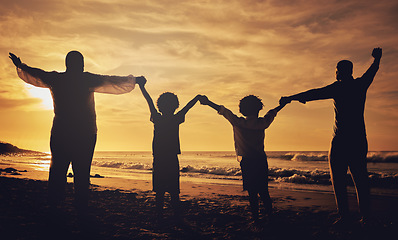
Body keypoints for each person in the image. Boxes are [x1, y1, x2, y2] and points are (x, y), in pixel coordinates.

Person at [9, 51, 146, 214]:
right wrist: (135, 80)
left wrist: (21, 65)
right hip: (84, 132)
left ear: (67, 64)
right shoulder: (85, 79)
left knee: (58, 169)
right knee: (81, 171)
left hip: (63, 130)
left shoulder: (57, 79)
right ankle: (79, 206)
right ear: (80, 64)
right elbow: (111, 80)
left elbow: (37, 74)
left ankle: (55, 204)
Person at [279, 48, 382, 225]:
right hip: (358, 139)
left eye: (336, 70)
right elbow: (372, 71)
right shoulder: (360, 84)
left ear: (339, 72)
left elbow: (314, 93)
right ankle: (366, 216)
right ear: (351, 71)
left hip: (341, 140)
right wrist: (377, 59)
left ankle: (345, 215)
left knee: (338, 178)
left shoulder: (338, 87)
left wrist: (291, 97)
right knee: (360, 178)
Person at [200, 95, 286, 221]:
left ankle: (256, 218)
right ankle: (269, 215)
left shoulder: (238, 122)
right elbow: (273, 112)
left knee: (252, 192)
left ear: (242, 110)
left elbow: (223, 110)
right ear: (258, 109)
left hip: (247, 161)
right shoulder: (262, 123)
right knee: (264, 191)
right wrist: (284, 104)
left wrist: (208, 102)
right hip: (261, 160)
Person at [137, 78, 201, 221]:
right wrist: (197, 98)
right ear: (175, 106)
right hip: (171, 158)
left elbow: (148, 100)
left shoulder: (157, 118)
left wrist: (142, 86)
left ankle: (160, 215)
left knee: (160, 192)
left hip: (159, 158)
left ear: (160, 106)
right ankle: (176, 216)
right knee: (173, 191)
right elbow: (188, 107)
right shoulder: (176, 118)